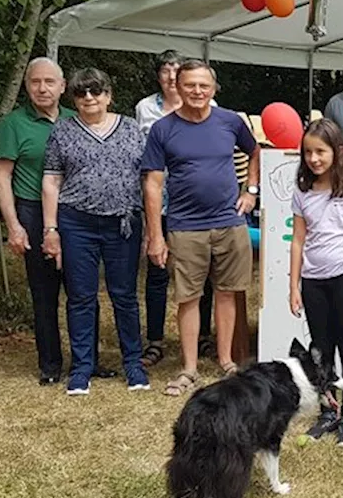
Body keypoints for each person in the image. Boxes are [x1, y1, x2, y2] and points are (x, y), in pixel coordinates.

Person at [143, 60, 260, 397]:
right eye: (190, 85)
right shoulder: (163, 129)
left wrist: (250, 192)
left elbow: (255, 152)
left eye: (203, 86)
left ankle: (225, 362)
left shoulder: (230, 121)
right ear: (177, 87)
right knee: (188, 297)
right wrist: (155, 235)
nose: (197, 92)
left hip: (229, 222)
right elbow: (152, 184)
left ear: (213, 89)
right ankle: (189, 369)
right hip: (184, 226)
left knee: (227, 292)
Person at [41, 68, 150, 395]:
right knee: (81, 296)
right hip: (77, 223)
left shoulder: (132, 130)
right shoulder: (62, 131)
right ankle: (82, 367)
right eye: (81, 93)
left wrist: (151, 227)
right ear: (74, 99)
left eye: (96, 92)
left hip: (123, 223)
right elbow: (51, 180)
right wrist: (51, 228)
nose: (89, 98)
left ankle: (133, 363)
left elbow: (149, 179)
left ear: (109, 95)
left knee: (125, 296)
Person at [288, 119, 343, 447]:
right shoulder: (302, 190)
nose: (314, 159)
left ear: (337, 151)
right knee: (321, 350)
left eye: (321, 152)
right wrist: (294, 286)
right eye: (308, 152)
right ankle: (328, 411)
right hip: (314, 280)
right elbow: (298, 241)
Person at [0, 58, 75, 385]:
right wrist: (13, 225)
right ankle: (51, 364)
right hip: (32, 210)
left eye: (49, 82)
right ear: (27, 85)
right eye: (35, 82)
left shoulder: (75, 119)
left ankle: (87, 360)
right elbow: (2, 177)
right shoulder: (13, 124)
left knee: (81, 291)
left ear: (62, 86)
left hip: (74, 213)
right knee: (44, 293)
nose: (42, 88)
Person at [133, 49, 184, 368]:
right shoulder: (144, 108)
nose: (171, 76)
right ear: (158, 76)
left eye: (176, 70)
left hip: (192, 203)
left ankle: (203, 335)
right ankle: (154, 340)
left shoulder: (208, 105)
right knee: (157, 272)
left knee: (200, 273)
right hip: (157, 203)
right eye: (165, 70)